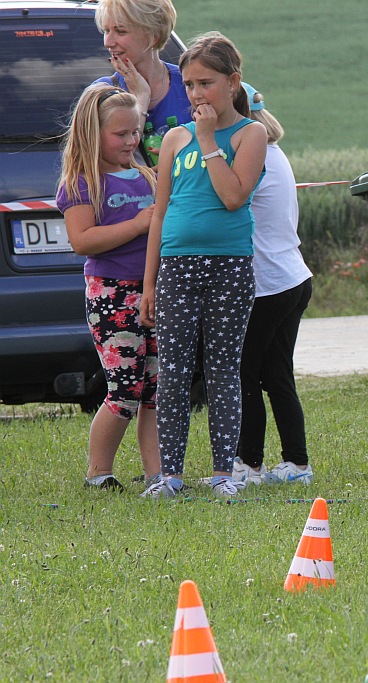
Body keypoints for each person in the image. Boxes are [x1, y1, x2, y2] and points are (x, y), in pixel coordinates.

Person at [139, 32, 268, 498]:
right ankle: (169, 474)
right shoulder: (174, 139)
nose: (195, 94)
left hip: (229, 266)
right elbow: (160, 212)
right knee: (172, 370)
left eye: (206, 83)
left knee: (222, 370)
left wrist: (211, 139)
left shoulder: (251, 135)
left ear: (233, 83)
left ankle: (222, 474)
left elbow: (234, 196)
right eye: (189, 84)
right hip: (176, 265)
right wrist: (149, 283)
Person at [56, 84, 160, 491]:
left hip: (152, 289)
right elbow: (82, 240)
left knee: (155, 387)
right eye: (121, 134)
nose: (132, 140)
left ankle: (158, 474)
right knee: (125, 389)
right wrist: (137, 224)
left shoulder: (147, 175)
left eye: (135, 131)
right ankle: (98, 472)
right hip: (111, 293)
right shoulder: (83, 183)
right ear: (92, 134)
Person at [230, 83, 314, 487]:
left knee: (245, 372)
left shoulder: (254, 157)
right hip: (292, 276)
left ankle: (249, 465)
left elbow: (227, 200)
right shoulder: (276, 154)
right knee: (277, 375)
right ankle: (297, 465)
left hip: (267, 286)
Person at [93, 0, 191, 166]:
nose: (108, 42)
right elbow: (110, 164)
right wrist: (142, 97)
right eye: (106, 31)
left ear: (153, 36)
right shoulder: (102, 94)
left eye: (120, 31)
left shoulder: (189, 83)